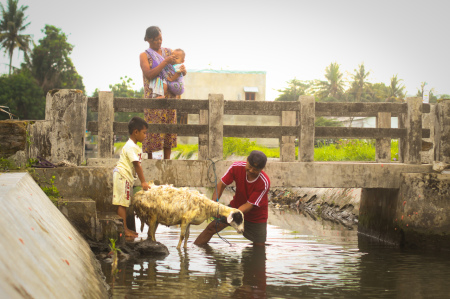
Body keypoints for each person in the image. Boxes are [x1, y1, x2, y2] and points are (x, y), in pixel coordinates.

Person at [194, 150, 270, 246]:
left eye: (255, 170)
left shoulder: (264, 182)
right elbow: (221, 185)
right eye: (250, 167)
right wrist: (214, 205)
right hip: (235, 206)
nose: (251, 171)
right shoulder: (236, 167)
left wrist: (233, 214)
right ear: (247, 160)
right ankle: (194, 249)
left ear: (261, 169)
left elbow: (249, 205)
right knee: (211, 228)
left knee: (259, 245)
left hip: (255, 217)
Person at [140, 26, 187, 160]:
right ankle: (149, 161)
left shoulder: (169, 51)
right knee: (151, 128)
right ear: (148, 39)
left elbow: (178, 66)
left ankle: (167, 162)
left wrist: (183, 70)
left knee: (168, 129)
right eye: (155, 40)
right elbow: (149, 75)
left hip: (170, 96)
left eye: (160, 38)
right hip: (154, 96)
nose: (159, 42)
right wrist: (165, 62)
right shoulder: (144, 55)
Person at [113, 116, 150, 237]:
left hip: (125, 177)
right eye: (144, 133)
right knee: (122, 203)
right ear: (136, 132)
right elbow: (137, 165)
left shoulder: (133, 146)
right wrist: (143, 182)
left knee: (124, 203)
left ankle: (125, 228)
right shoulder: (130, 146)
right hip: (122, 176)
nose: (145, 136)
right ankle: (123, 229)